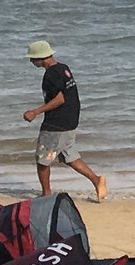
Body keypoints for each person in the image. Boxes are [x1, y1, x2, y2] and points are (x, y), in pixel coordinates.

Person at [22, 42, 106, 199]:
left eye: (32, 59)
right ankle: (97, 180)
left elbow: (60, 99)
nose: (31, 62)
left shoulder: (51, 74)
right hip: (70, 120)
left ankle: (46, 194)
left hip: (56, 123)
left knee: (42, 160)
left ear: (41, 57)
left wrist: (35, 112)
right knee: (70, 157)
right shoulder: (63, 68)